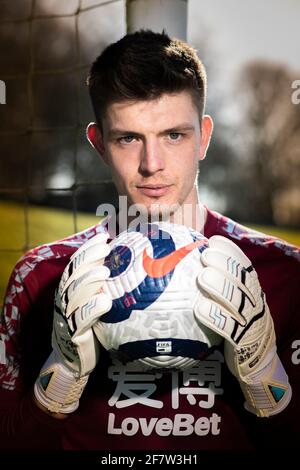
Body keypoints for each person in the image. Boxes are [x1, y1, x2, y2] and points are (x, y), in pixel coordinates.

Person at [0, 30, 299, 453]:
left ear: (205, 137)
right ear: (99, 144)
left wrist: (265, 375)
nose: (151, 165)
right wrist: (60, 378)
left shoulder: (285, 273)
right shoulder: (41, 275)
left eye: (174, 135)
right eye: (128, 138)